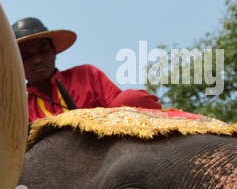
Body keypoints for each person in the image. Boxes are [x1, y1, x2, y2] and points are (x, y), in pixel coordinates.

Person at [14, 17, 161, 122]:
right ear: (17, 63)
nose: (37, 60)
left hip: (108, 151)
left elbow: (118, 106)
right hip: (56, 161)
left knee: (130, 98)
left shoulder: (85, 75)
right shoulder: (20, 110)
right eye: (26, 56)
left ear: (53, 51)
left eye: (43, 51)